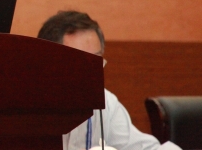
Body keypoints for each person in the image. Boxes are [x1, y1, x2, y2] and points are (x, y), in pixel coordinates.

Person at [37, 11, 180, 150]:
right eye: (79, 62)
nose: (91, 72)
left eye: (96, 61)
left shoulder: (106, 103)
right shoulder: (29, 107)